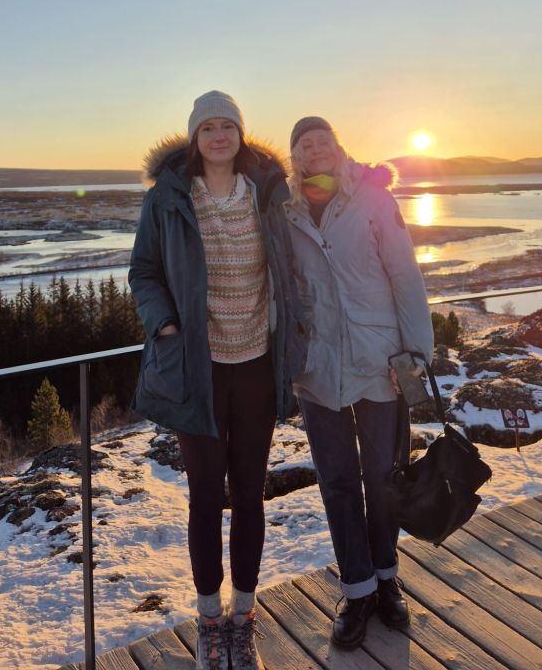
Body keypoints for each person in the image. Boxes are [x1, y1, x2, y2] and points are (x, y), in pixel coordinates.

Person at [129, 91, 304, 670]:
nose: (220, 135)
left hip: (256, 366)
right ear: (194, 138)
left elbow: (296, 260)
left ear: (241, 134)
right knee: (205, 497)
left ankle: (243, 616)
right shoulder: (168, 197)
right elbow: (144, 271)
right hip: (196, 370)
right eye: (209, 127)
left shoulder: (267, 192)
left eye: (229, 125)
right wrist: (165, 325)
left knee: (250, 494)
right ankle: (209, 621)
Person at [284, 116, 434, 648]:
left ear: (337, 146)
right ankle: (357, 588)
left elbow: (404, 273)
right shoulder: (285, 209)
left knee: (384, 477)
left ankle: (387, 579)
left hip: (380, 360)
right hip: (318, 366)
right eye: (305, 143)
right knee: (338, 482)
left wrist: (416, 353)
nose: (315, 149)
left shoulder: (372, 199)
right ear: (295, 156)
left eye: (322, 140)